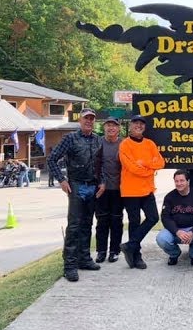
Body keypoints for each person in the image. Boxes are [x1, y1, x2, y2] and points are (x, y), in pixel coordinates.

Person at [47, 107, 102, 282]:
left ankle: (84, 259)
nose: (89, 121)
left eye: (92, 119)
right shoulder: (70, 138)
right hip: (76, 186)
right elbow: (52, 159)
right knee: (74, 226)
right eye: (86, 118)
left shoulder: (97, 140)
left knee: (88, 224)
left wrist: (102, 182)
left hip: (93, 186)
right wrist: (62, 180)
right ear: (80, 120)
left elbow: (101, 164)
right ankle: (69, 265)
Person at [119, 114, 165, 270]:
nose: (138, 126)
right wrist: (149, 170)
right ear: (130, 126)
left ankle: (130, 245)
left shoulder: (150, 144)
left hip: (147, 190)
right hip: (130, 191)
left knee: (153, 218)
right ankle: (136, 257)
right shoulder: (125, 145)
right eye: (135, 123)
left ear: (144, 127)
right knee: (134, 222)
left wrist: (144, 164)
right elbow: (131, 167)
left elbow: (160, 162)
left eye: (141, 124)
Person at [155, 169, 193, 266]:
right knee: (161, 238)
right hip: (176, 230)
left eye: (182, 180)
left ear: (188, 181)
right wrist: (177, 231)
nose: (179, 183)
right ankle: (174, 254)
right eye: (176, 181)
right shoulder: (169, 197)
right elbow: (165, 218)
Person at [94, 117, 124, 264]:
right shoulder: (98, 142)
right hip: (101, 189)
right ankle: (101, 251)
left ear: (118, 129)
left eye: (114, 126)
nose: (111, 128)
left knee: (116, 221)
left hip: (119, 189)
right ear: (104, 127)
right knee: (102, 221)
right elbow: (94, 165)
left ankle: (114, 251)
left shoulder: (123, 143)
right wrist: (101, 181)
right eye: (108, 125)